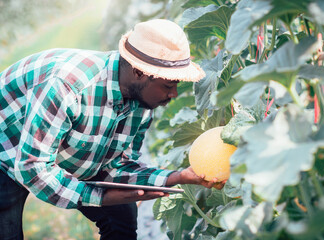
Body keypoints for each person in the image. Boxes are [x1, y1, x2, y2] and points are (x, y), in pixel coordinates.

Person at [0, 19, 225, 240]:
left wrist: (178, 177)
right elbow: (32, 166)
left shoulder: (143, 103)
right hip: (7, 146)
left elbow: (118, 165)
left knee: (122, 217)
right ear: (139, 72)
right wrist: (100, 198)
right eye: (168, 85)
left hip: (49, 142)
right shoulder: (68, 86)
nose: (174, 94)